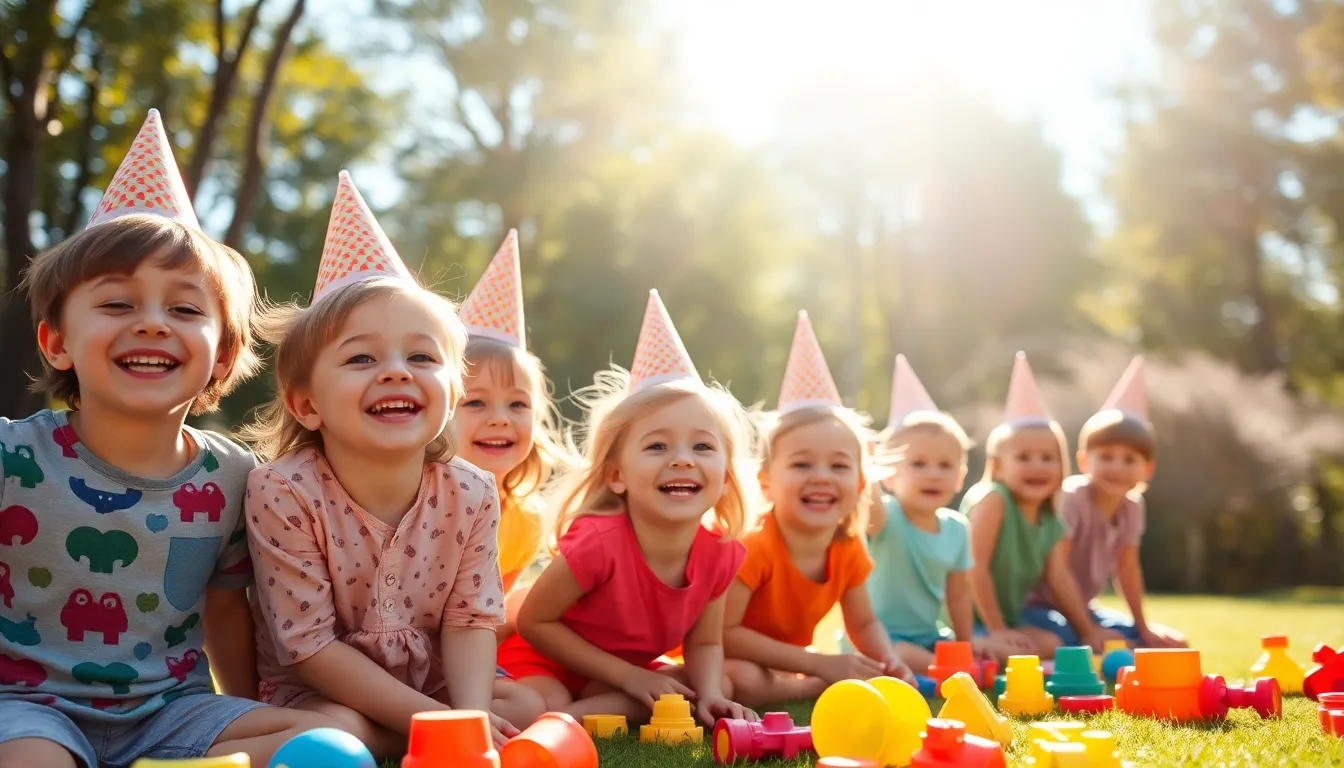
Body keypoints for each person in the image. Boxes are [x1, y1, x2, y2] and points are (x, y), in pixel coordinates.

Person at [0, 109, 325, 768]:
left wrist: (242, 707)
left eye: (183, 308)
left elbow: (225, 606)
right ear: (58, 342)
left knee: (333, 738)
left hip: (172, 714)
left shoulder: (235, 475)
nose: (151, 324)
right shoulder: (11, 457)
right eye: (118, 304)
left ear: (224, 357)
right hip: (27, 710)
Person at [242, 172, 544, 758]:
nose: (397, 372)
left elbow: (469, 620)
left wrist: (472, 717)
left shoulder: (473, 491)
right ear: (306, 404)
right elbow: (309, 649)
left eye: (421, 356)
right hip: (319, 689)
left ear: (452, 394)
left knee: (525, 704)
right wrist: (441, 726)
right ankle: (398, 738)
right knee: (337, 732)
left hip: (430, 679)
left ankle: (409, 736)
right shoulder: (282, 490)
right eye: (361, 357)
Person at [501, 291, 757, 726]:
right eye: (657, 445)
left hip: (618, 677)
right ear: (617, 475)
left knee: (705, 687)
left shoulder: (721, 552)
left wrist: (710, 694)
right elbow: (534, 622)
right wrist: (627, 676)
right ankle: (561, 720)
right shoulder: (599, 543)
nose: (682, 459)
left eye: (702, 446)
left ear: (727, 476)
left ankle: (578, 715)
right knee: (543, 699)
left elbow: (707, 644)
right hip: (543, 663)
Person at [723, 313, 913, 707]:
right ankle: (813, 688)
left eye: (839, 466)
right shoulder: (753, 545)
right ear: (766, 482)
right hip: (727, 660)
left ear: (861, 484)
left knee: (757, 677)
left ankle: (810, 681)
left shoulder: (847, 547)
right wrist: (817, 667)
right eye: (802, 464)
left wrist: (887, 660)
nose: (822, 477)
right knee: (736, 676)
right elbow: (725, 633)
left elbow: (862, 622)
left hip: (785, 665)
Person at [448, 231, 573, 645]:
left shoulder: (525, 521)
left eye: (518, 405)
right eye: (476, 403)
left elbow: (492, 624)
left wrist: (521, 610)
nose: (501, 420)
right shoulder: (421, 504)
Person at [962, 353, 1122, 659]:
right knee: (1034, 648)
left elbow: (1059, 579)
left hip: (1003, 622)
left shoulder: (1050, 521)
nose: (1037, 466)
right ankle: (971, 646)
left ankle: (987, 646)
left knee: (1052, 644)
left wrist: (1087, 629)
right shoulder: (994, 499)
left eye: (1047, 458)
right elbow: (974, 567)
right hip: (963, 621)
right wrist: (997, 630)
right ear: (997, 467)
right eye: (1023, 458)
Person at [1021, 357, 1187, 649]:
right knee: (1070, 641)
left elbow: (1127, 569)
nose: (1117, 467)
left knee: (1171, 643)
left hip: (1084, 608)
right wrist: (1087, 630)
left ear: (1147, 469)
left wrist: (1142, 627)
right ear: (1084, 461)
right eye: (1106, 457)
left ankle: (1108, 639)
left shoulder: (1132, 506)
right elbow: (1056, 572)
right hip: (1040, 608)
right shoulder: (1072, 498)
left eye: (1129, 459)